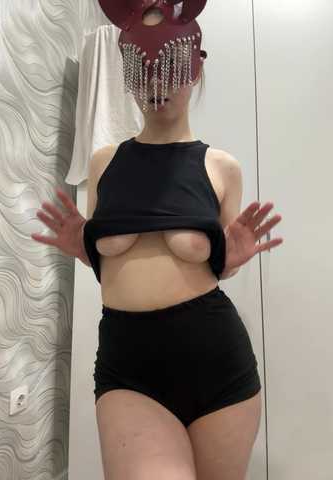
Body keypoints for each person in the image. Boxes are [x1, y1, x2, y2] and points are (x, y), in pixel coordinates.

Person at [32, 3, 283, 479]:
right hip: (129, 367)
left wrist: (231, 258)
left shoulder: (221, 167)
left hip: (217, 362)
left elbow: (220, 266)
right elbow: (111, 264)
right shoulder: (105, 163)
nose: (156, 83)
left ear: (195, 66)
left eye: (169, 65)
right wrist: (82, 248)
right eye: (142, 68)